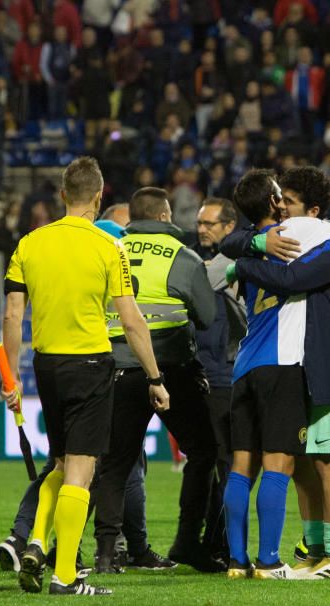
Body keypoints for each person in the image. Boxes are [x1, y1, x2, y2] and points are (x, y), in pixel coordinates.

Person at [2, 157, 167, 596]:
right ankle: (66, 576)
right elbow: (131, 320)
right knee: (81, 470)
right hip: (91, 364)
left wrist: (11, 378)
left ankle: (36, 542)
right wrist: (154, 375)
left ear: (62, 195)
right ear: (98, 196)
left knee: (60, 463)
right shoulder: (109, 248)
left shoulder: (29, 244)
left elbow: (13, 314)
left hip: (46, 366)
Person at [218, 168, 330, 579]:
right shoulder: (297, 236)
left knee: (304, 464)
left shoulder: (305, 238)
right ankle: (280, 558)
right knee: (292, 464)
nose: (283, 206)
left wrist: (246, 259)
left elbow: (292, 273)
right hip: (285, 363)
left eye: (291, 200)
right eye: (280, 198)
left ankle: (324, 557)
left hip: (272, 364)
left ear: (313, 210)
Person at [92, 187, 219, 574]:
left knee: (114, 464)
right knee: (203, 451)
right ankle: (186, 541)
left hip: (115, 369)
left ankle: (106, 553)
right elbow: (207, 315)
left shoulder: (109, 251)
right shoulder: (185, 257)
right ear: (165, 216)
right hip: (170, 370)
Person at [192, 197, 245, 563]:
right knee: (214, 462)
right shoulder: (198, 260)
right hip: (201, 373)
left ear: (230, 226)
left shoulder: (233, 263)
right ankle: (212, 545)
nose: (202, 229)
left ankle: (223, 546)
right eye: (200, 222)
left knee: (226, 462)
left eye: (210, 223)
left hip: (226, 374)